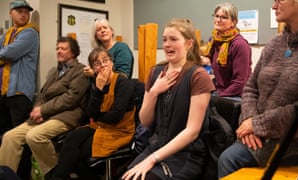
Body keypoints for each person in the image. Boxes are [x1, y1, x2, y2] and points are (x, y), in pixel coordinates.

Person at [121, 18, 215, 180]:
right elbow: (145, 121)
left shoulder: (198, 76)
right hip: (156, 147)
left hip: (185, 155)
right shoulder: (155, 73)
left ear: (189, 44)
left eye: (173, 39)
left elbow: (192, 132)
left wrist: (152, 159)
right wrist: (153, 93)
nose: (167, 44)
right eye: (164, 39)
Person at [218, 0, 298, 178]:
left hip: (291, 143)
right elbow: (250, 88)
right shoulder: (274, 44)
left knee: (229, 159)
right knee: (224, 155)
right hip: (259, 135)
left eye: (279, 0)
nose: (273, 6)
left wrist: (257, 125)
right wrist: (249, 118)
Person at [0, 36, 89, 176]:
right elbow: (42, 94)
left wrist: (43, 110)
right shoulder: (55, 72)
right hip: (46, 115)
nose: (59, 51)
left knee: (34, 136)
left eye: (63, 49)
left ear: (73, 52)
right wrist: (37, 110)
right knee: (10, 137)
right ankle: (5, 175)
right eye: (57, 48)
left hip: (67, 116)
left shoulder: (80, 71)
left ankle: (55, 175)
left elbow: (70, 99)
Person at [44, 47, 136, 180]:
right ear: (93, 68)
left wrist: (98, 116)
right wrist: (98, 89)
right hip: (100, 126)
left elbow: (116, 116)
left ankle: (55, 176)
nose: (103, 65)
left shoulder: (122, 83)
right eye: (97, 63)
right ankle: (58, 176)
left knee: (77, 155)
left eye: (105, 61)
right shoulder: (95, 82)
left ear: (112, 63)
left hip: (119, 130)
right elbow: (91, 112)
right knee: (71, 138)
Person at [0, 0, 39, 136]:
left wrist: (4, 55)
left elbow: (8, 53)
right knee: (4, 133)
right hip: (5, 91)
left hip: (20, 91)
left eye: (26, 12)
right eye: (19, 11)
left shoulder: (30, 33)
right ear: (11, 13)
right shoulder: (7, 34)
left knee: (19, 135)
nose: (24, 15)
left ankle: (24, 159)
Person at [202, 2, 251, 99]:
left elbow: (239, 83)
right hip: (220, 90)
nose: (218, 20)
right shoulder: (213, 40)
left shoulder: (239, 44)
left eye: (223, 17)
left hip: (237, 95)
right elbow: (209, 62)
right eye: (216, 16)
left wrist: (218, 97)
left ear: (233, 22)